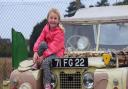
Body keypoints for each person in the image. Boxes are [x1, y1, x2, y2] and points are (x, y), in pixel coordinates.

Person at [33, 8, 65, 89]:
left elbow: (53, 47)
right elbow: (40, 39)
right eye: (51, 18)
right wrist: (36, 52)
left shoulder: (59, 32)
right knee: (42, 43)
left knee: (45, 62)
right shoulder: (46, 28)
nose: (53, 20)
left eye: (55, 18)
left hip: (57, 53)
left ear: (58, 20)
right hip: (48, 51)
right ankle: (37, 62)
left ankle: (47, 84)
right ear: (47, 19)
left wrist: (43, 57)